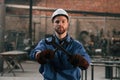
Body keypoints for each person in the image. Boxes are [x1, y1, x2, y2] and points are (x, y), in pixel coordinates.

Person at [29, 8, 91, 80]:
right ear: (53, 24)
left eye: (63, 21)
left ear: (67, 24)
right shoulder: (45, 43)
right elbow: (34, 53)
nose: (60, 24)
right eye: (57, 22)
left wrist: (81, 61)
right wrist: (40, 55)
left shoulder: (76, 45)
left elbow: (86, 60)